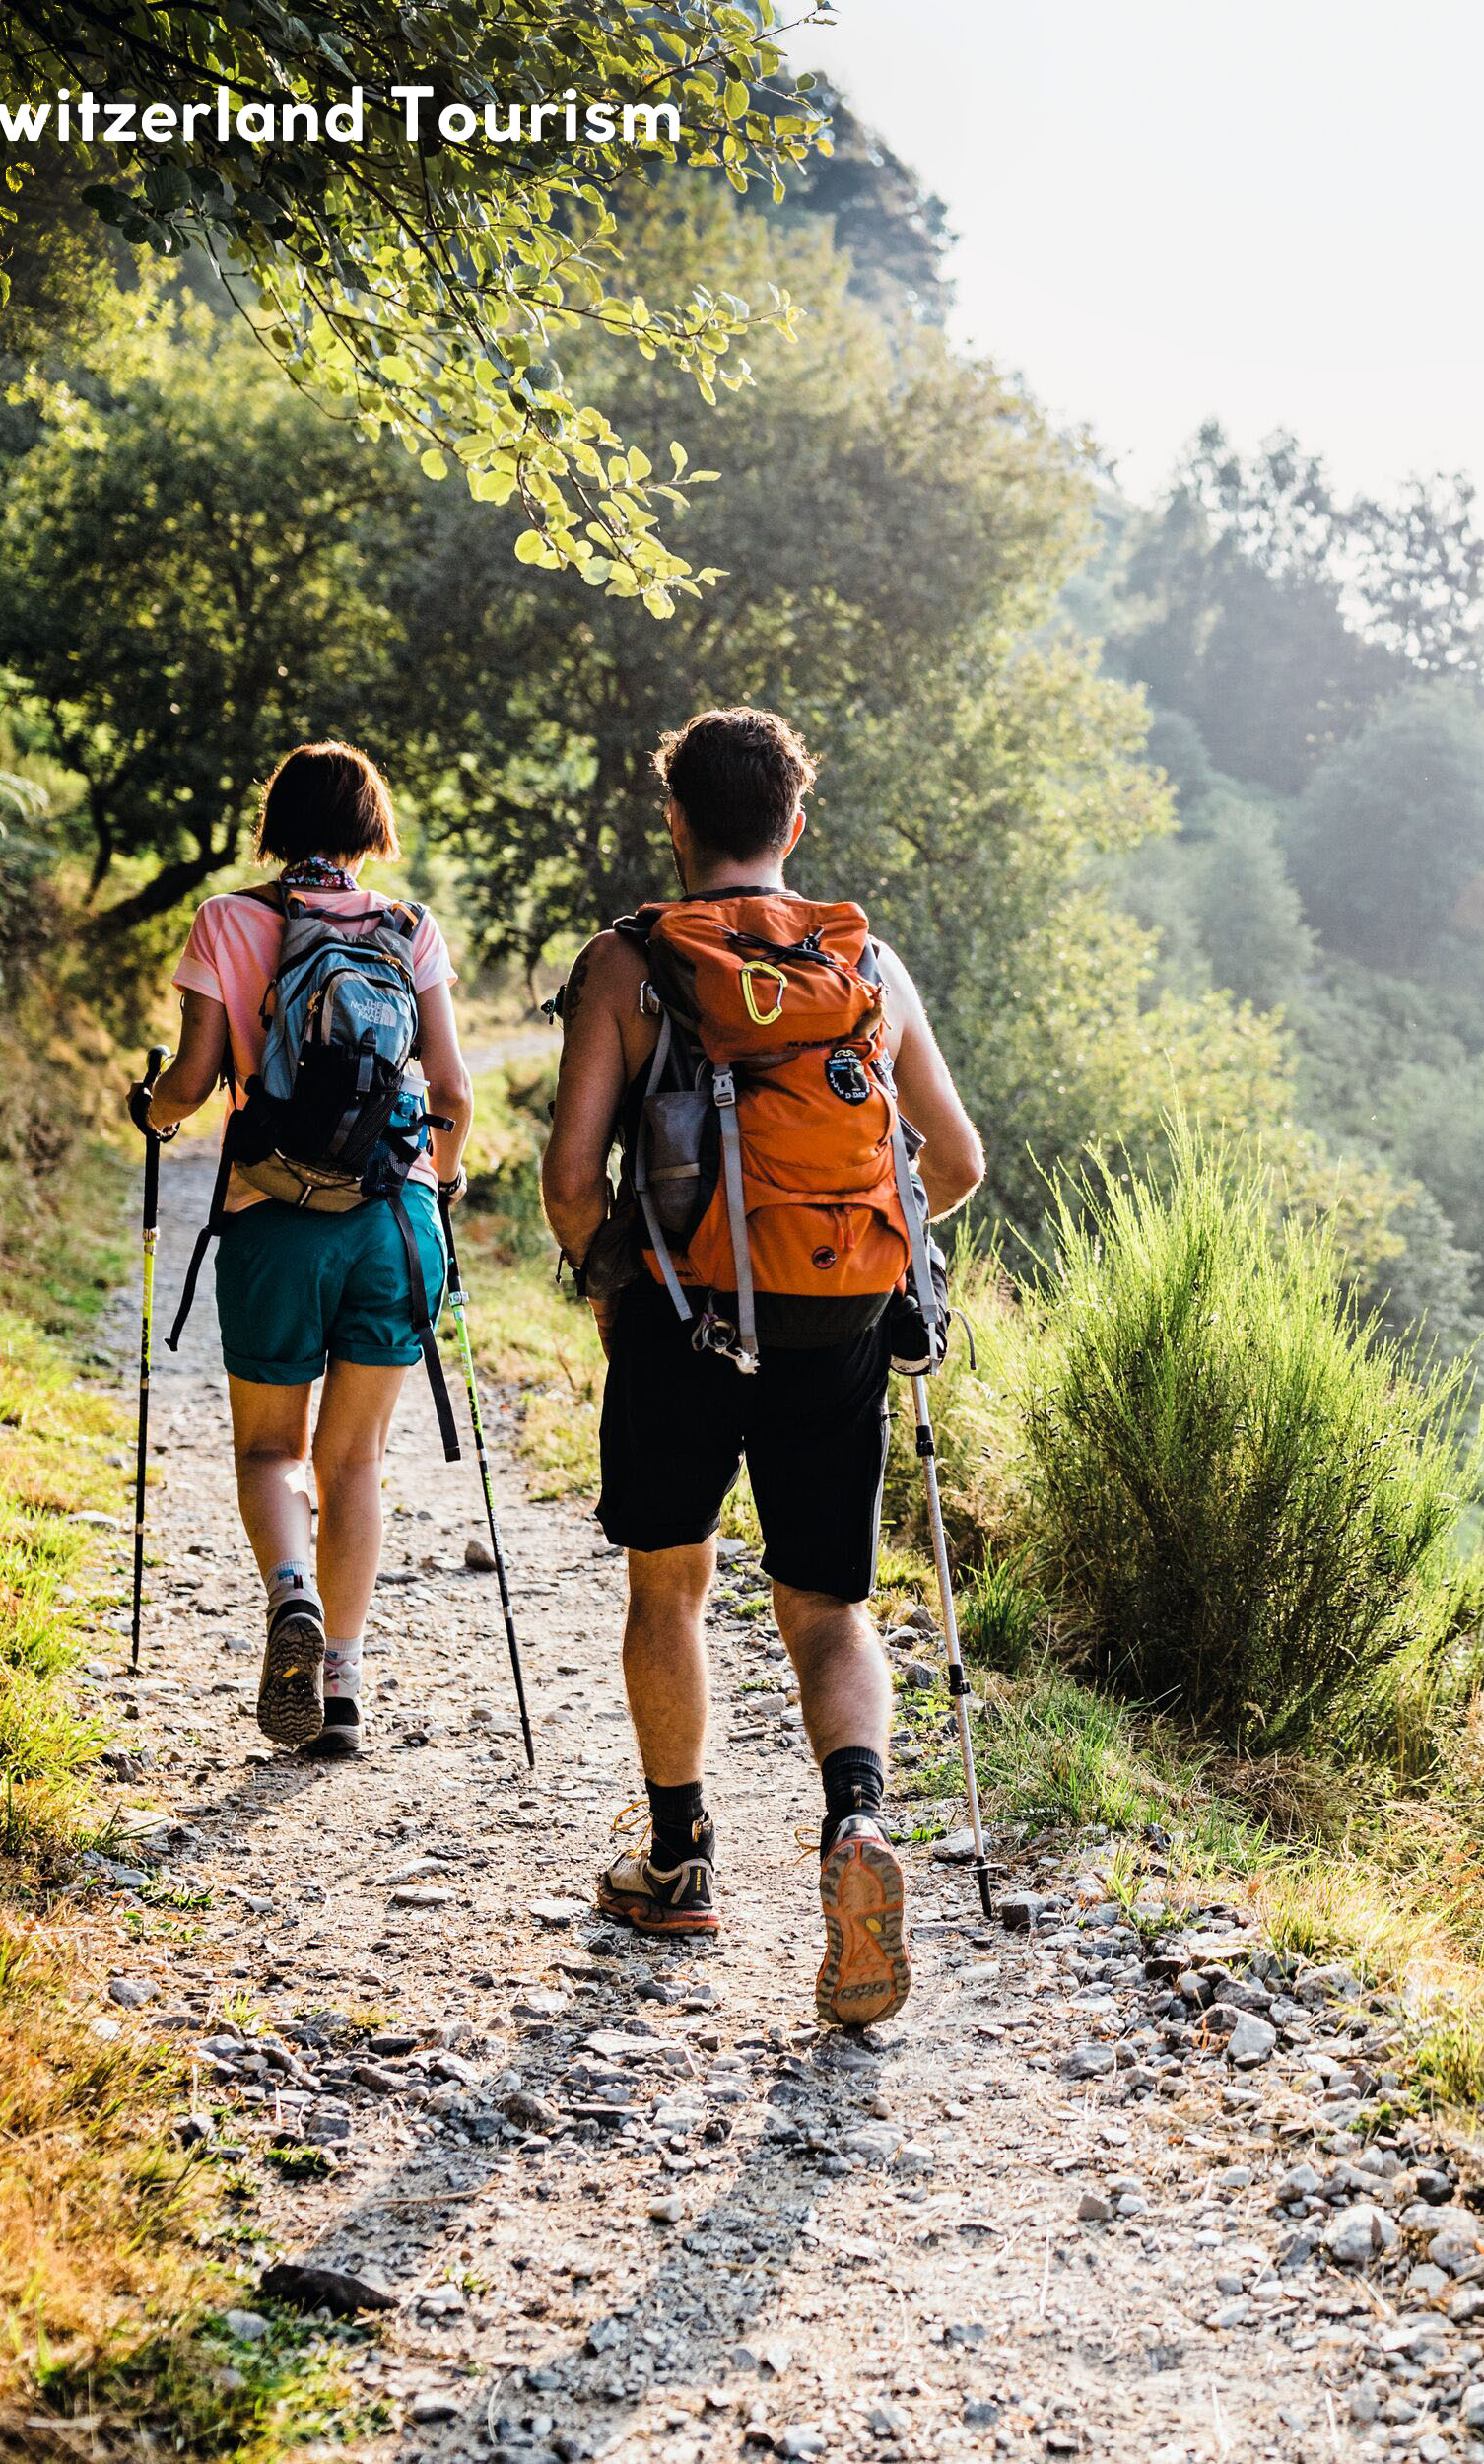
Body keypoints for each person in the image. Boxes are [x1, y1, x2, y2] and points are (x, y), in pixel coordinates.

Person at [541, 706, 983, 2029]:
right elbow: (954, 1165)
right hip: (833, 1323)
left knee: (670, 1585)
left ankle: (677, 1863)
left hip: (681, 1318)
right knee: (829, 1612)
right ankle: (853, 1827)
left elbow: (571, 1181)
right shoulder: (870, 966)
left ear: (674, 824)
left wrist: (617, 1286)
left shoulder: (628, 963)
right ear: (794, 826)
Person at [134, 742, 473, 1761]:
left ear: (274, 822)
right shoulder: (410, 928)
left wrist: (146, 1109)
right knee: (356, 1459)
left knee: (269, 1451)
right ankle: (343, 1682)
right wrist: (438, 1188)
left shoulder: (228, 921)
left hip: (274, 1215)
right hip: (390, 1220)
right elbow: (452, 1093)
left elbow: (190, 1087)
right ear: (372, 827)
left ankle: (292, 1596)